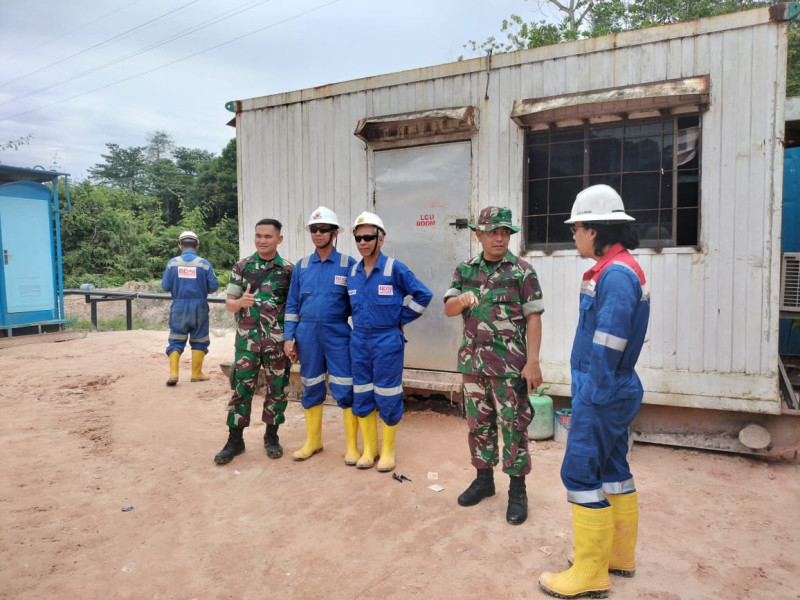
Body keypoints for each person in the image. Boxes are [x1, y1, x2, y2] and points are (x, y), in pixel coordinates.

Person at [538, 184, 650, 598]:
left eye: (577, 227)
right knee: (613, 472)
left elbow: (609, 343)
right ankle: (618, 556)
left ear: (596, 229)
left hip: (603, 389)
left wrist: (593, 397)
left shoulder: (616, 275)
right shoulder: (614, 268)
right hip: (610, 388)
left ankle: (589, 573)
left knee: (581, 472)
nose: (573, 235)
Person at [443, 206, 544, 526]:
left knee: (514, 427)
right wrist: (462, 300)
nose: (499, 238)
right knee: (478, 425)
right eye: (492, 232)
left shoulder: (522, 272)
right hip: (473, 364)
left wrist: (533, 362)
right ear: (479, 235)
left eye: (505, 232)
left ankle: (517, 490)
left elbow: (534, 317)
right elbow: (448, 308)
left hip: (510, 367)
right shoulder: (465, 270)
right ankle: (483, 479)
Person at [347, 211, 432, 472]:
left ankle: (387, 451)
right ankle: (369, 450)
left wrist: (400, 317)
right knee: (361, 394)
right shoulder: (352, 271)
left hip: (387, 340)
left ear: (380, 239)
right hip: (359, 339)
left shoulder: (394, 268)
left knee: (387, 393)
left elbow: (423, 295)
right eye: (358, 238)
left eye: (368, 237)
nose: (363, 243)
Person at [214, 218, 294, 465]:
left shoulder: (289, 271)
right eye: (258, 235)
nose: (262, 240)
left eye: (268, 236)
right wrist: (239, 304)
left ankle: (272, 437)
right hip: (247, 342)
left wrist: (292, 340)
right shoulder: (241, 267)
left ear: (279, 239)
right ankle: (235, 440)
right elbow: (229, 303)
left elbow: (293, 308)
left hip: (276, 342)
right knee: (241, 388)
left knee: (277, 389)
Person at [284, 207, 359, 463]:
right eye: (314, 230)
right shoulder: (302, 266)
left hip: (338, 334)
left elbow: (359, 304)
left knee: (345, 388)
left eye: (323, 230)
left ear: (334, 233)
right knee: (311, 386)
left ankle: (352, 447)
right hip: (307, 336)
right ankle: (313, 442)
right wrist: (288, 336)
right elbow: (292, 304)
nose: (317, 234)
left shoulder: (349, 265)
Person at [161, 230, 219, 386]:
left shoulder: (172, 263)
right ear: (197, 246)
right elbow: (213, 286)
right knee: (199, 339)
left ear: (180, 245)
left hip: (179, 306)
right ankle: (196, 373)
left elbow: (165, 286)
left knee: (176, 339)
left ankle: (174, 373)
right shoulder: (204, 264)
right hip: (199, 306)